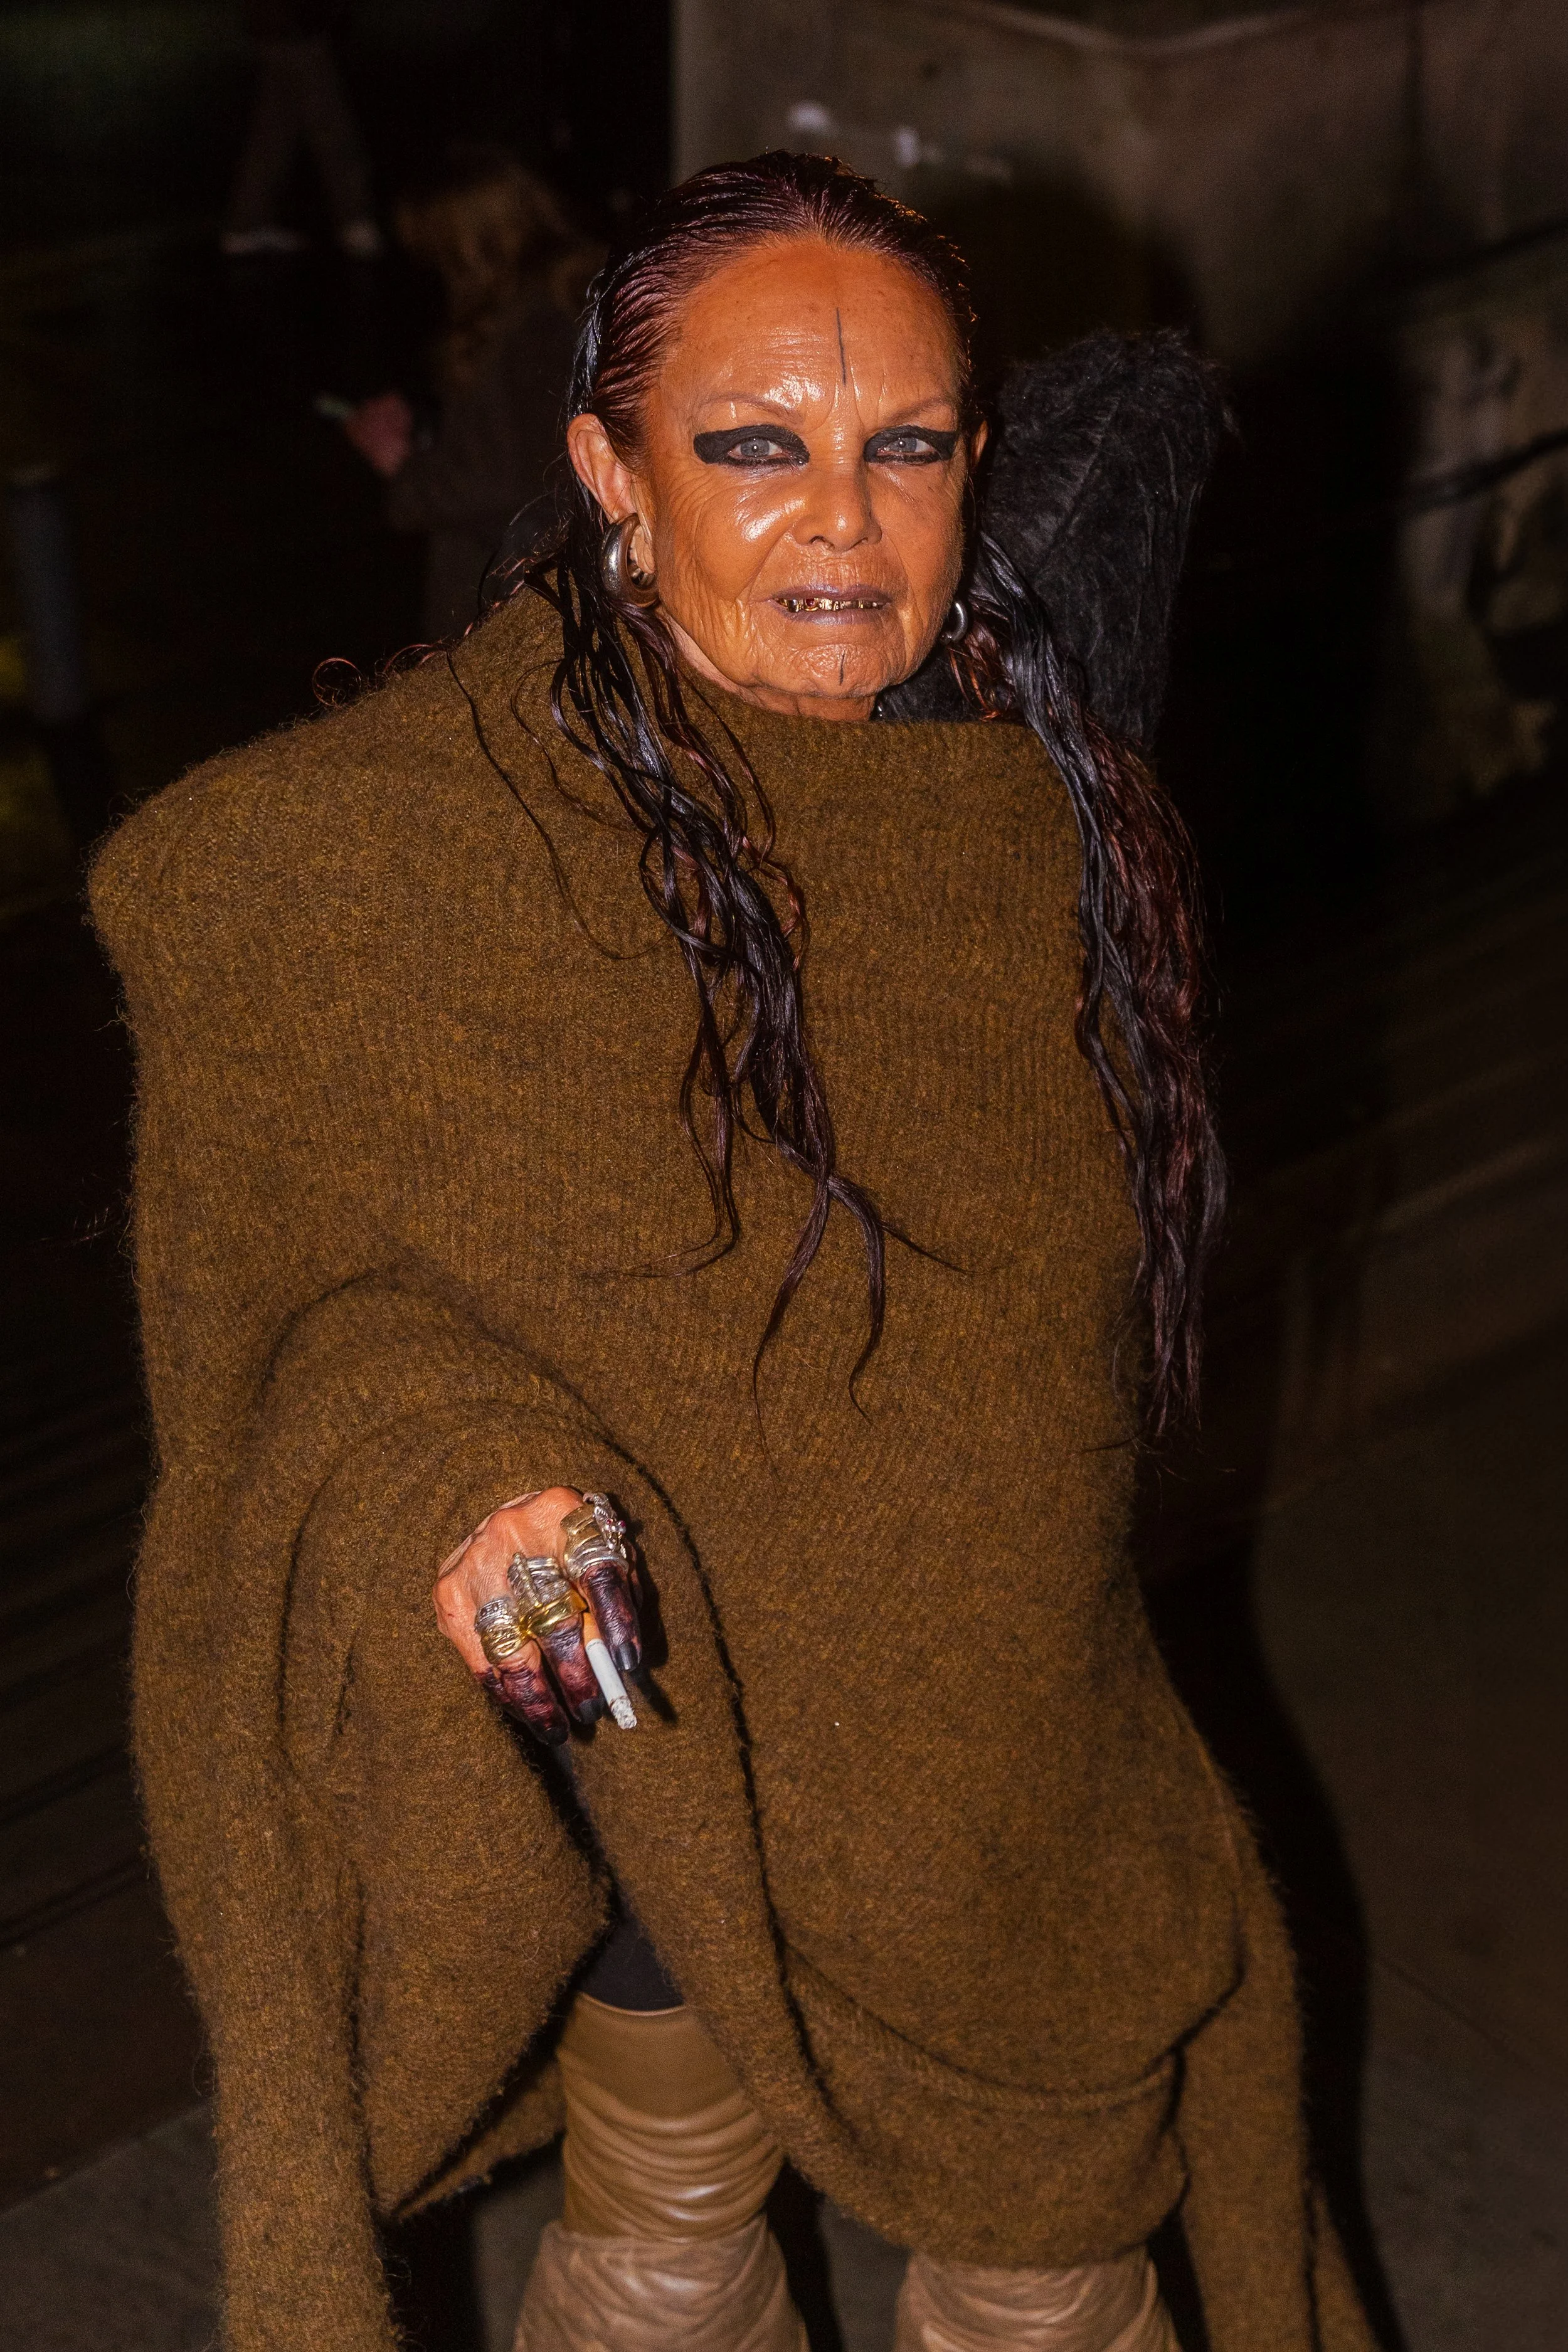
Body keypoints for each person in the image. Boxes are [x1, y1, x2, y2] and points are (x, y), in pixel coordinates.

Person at [92, 154, 1377, 2352]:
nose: (845, 523)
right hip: (643, 1731)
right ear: (611, 471)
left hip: (1001, 1753)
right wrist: (464, 1490)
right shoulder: (380, 858)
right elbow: (288, 1329)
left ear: (975, 460)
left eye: (908, 448)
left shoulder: (1039, 813)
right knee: (664, 2265)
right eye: (755, 448)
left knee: (1052, 2287)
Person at [342, 147, 598, 638]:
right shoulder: (568, 299)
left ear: (468, 248)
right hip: (542, 590)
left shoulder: (535, 328)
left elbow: (508, 481)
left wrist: (397, 461)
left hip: (519, 605)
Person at [223, 1, 381, 260]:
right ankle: (356, 220)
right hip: (298, 29)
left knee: (275, 131)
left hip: (279, 28)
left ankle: (247, 223)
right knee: (331, 128)